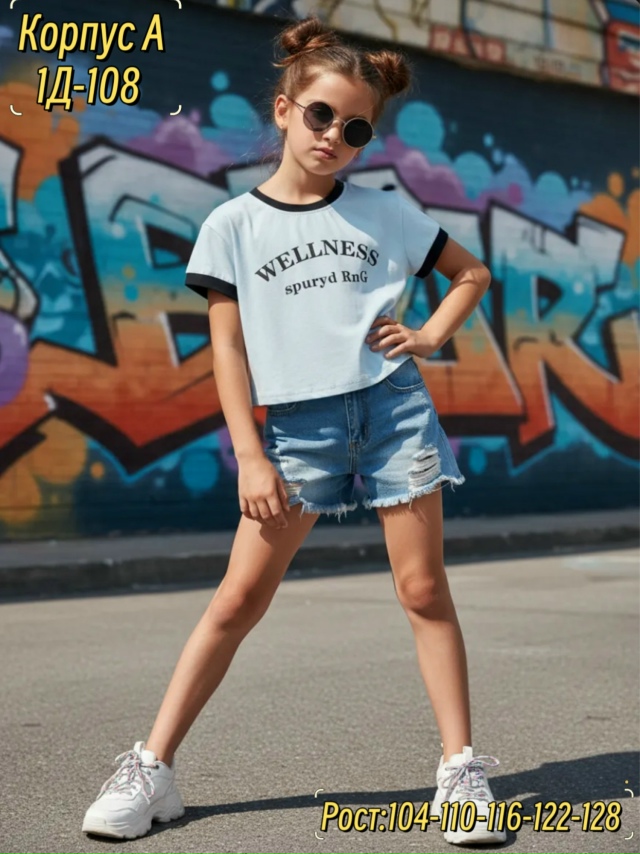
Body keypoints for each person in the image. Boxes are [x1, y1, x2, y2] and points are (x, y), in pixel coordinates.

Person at [82, 15, 506, 847]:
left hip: (394, 409)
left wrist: (430, 334)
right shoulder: (233, 225)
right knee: (239, 598)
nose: (334, 137)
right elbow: (228, 348)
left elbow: (472, 272)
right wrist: (250, 455)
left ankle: (460, 770)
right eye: (320, 115)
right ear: (283, 109)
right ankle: (151, 768)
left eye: (356, 129)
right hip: (297, 432)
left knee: (424, 591)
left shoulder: (385, 212)